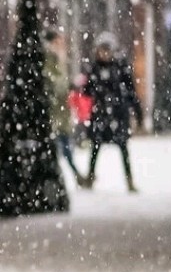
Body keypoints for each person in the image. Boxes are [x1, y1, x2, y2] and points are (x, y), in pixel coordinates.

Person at [80, 33, 142, 192]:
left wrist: (137, 112)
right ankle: (90, 176)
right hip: (100, 114)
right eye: (102, 51)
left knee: (123, 148)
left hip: (118, 115)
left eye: (107, 51)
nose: (105, 54)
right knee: (95, 147)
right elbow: (87, 92)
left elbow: (131, 92)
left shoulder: (121, 68)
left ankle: (129, 180)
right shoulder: (94, 69)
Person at [43, 29, 82, 185]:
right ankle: (71, 176)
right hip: (54, 109)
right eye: (58, 41)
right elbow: (53, 82)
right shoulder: (50, 58)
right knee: (61, 146)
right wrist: (66, 86)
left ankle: (74, 175)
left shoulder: (58, 58)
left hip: (61, 109)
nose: (61, 45)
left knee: (64, 145)